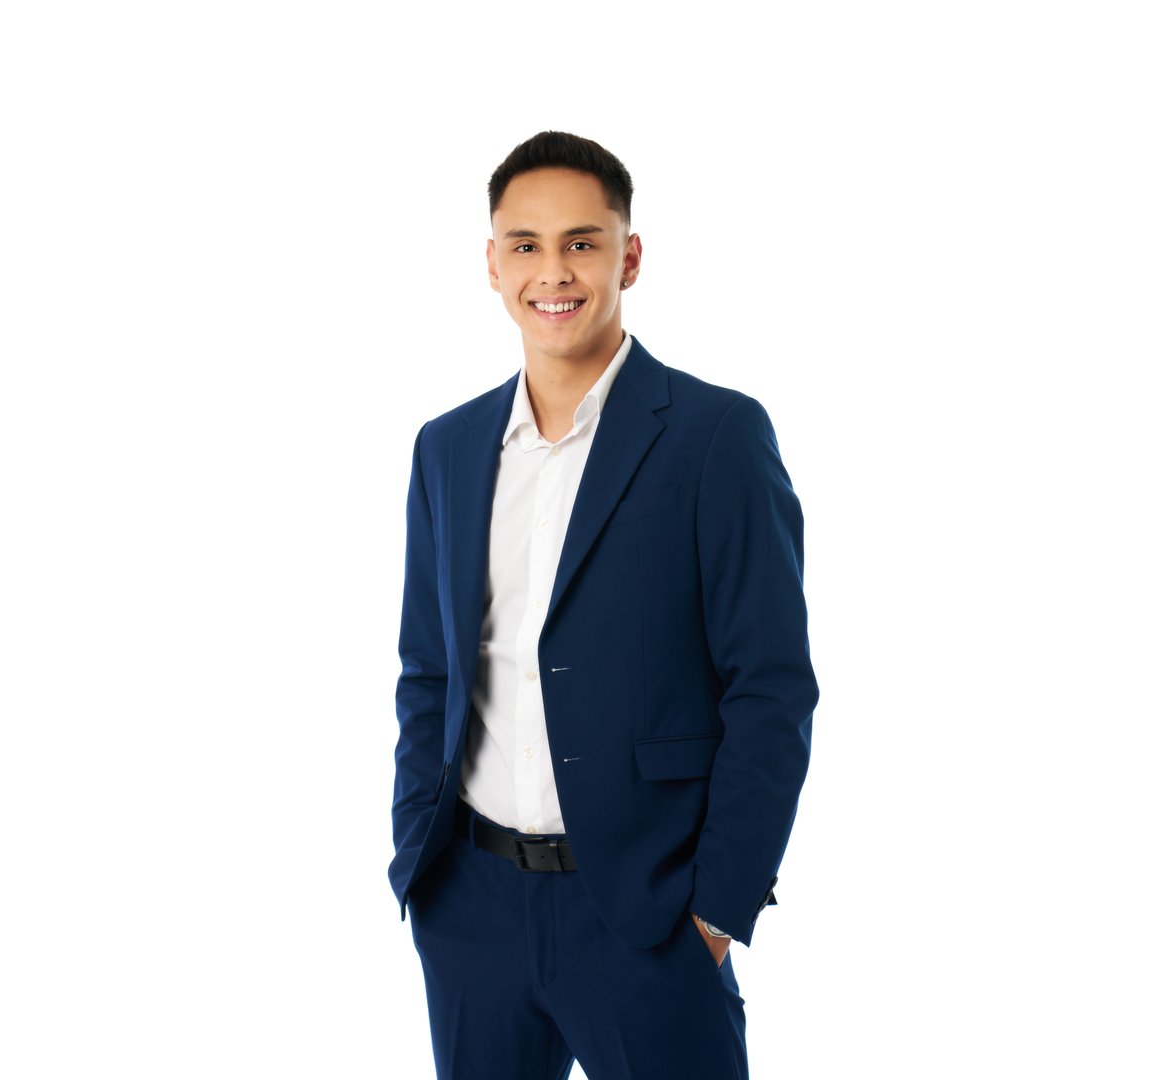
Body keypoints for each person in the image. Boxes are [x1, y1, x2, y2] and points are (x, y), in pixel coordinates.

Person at [388, 130, 819, 1079]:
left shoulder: (715, 436)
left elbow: (770, 690)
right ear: (492, 264)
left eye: (582, 243)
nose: (554, 271)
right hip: (471, 909)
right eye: (526, 245)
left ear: (628, 256)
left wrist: (716, 909)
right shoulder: (447, 448)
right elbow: (429, 669)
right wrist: (420, 869)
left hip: (647, 913)